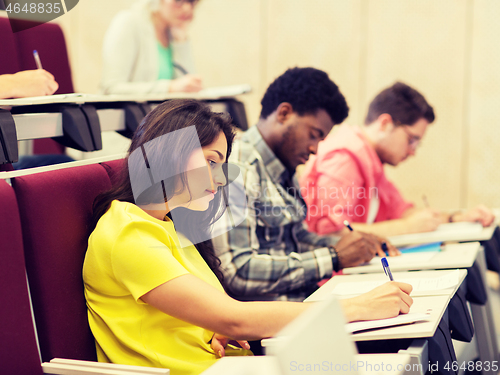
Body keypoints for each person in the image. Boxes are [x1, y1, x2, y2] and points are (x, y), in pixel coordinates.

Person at [83, 99, 413, 375]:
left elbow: (222, 318)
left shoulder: (165, 224)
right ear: (169, 152)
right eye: (211, 161)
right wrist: (359, 307)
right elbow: (234, 317)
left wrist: (219, 325)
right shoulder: (128, 233)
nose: (220, 179)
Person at [212, 67, 398, 304]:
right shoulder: (238, 166)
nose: (315, 149)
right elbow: (237, 271)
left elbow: (296, 239)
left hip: (304, 306)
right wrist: (333, 257)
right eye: (314, 134)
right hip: (270, 325)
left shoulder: (282, 168)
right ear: (284, 113)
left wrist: (357, 245)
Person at [299, 82, 495, 238]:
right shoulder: (344, 158)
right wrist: (407, 227)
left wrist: (457, 217)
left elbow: (402, 211)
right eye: (412, 140)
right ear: (385, 124)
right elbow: (329, 233)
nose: (412, 152)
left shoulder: (370, 160)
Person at [100, 0, 203, 95]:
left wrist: (181, 42)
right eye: (178, 1)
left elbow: (190, 89)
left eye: (192, 2)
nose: (187, 8)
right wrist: (169, 87)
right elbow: (111, 88)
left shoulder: (174, 32)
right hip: (132, 114)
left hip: (165, 114)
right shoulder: (129, 22)